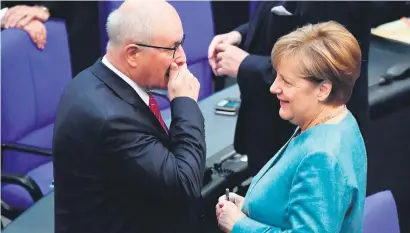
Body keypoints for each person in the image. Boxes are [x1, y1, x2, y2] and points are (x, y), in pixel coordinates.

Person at [52, 1, 206, 233]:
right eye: (172, 48)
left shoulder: (94, 78)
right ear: (133, 53)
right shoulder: (111, 120)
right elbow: (185, 186)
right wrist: (185, 104)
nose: (182, 57)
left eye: (181, 43)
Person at [216, 21, 367, 233]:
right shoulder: (337, 120)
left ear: (323, 89)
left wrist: (239, 225)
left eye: (286, 82)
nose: (273, 87)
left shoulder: (322, 156)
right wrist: (250, 208)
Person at [208, 1, 372, 176]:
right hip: (271, 136)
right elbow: (282, 20)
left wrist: (245, 64)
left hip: (306, 144)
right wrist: (240, 34)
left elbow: (324, 66)